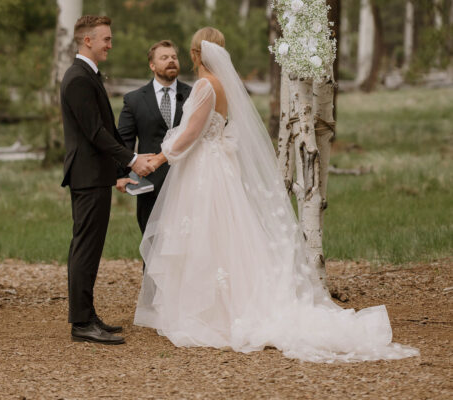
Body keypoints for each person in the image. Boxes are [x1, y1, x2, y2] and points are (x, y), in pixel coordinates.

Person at [134, 26, 419, 363]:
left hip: (203, 170)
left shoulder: (204, 86)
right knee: (224, 235)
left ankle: (212, 313)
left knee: (205, 235)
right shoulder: (225, 85)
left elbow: (191, 134)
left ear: (196, 54)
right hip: (217, 167)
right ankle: (220, 304)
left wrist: (159, 157)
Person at [60, 14, 155, 345]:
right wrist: (131, 159)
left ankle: (87, 316)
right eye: (106, 39)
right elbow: (95, 133)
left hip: (97, 175)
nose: (110, 44)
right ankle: (82, 323)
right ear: (88, 40)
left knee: (91, 247)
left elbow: (107, 129)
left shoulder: (88, 76)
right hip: (86, 176)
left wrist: (121, 171)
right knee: (85, 249)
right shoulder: (77, 79)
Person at [117, 40, 192, 233]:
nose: (171, 61)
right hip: (150, 184)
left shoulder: (194, 95)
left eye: (174, 57)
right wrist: (121, 175)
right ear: (152, 65)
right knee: (151, 245)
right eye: (164, 58)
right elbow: (124, 142)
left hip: (188, 181)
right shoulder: (133, 99)